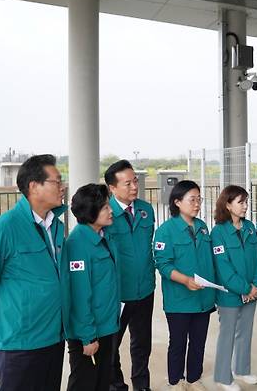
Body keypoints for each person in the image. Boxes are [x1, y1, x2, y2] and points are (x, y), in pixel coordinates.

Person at [0, 154, 69, 391]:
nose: (62, 186)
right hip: (20, 345)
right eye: (56, 181)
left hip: (53, 337)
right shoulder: (3, 230)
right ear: (34, 186)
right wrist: (5, 317)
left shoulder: (55, 225)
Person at [154, 180, 215, 391]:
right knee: (178, 344)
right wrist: (185, 280)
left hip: (203, 299)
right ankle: (175, 381)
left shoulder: (203, 227)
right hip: (179, 300)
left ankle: (193, 378)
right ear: (177, 202)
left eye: (199, 199)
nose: (197, 204)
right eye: (192, 199)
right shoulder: (165, 231)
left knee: (198, 343)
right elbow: (163, 264)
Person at [104, 160, 156, 391]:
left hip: (145, 289)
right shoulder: (105, 214)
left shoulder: (147, 209)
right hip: (118, 294)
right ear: (112, 188)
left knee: (142, 343)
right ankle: (116, 385)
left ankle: (142, 385)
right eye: (128, 183)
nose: (134, 186)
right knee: (112, 344)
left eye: (135, 180)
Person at [65, 184, 119, 391]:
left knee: (102, 381)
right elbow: (79, 295)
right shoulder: (78, 244)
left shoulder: (103, 237)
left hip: (106, 325)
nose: (111, 210)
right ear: (90, 212)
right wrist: (88, 337)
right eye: (105, 207)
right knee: (84, 382)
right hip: (89, 332)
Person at [211, 185, 257, 391]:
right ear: (228, 205)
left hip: (252, 290)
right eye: (241, 202)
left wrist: (256, 284)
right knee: (228, 334)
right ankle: (223, 377)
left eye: (246, 202)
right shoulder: (218, 232)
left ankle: (242, 370)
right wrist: (245, 288)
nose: (245, 206)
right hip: (230, 294)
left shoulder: (250, 227)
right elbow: (223, 267)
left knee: (245, 331)